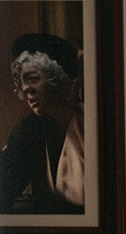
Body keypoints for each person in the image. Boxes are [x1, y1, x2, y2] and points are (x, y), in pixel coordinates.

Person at [0, 33, 85, 214]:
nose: (25, 89)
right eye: (22, 81)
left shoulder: (88, 128)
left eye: (32, 79)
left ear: (57, 78)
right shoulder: (28, 133)